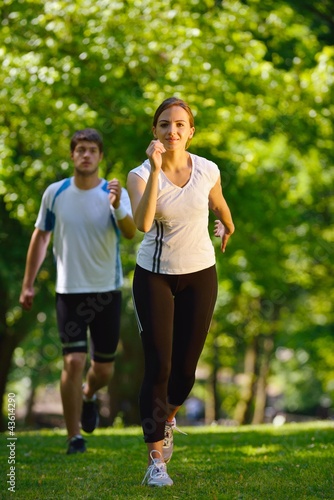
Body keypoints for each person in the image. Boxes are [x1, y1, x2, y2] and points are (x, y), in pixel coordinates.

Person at [127, 97, 235, 486]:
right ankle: (156, 462)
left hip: (200, 273)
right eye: (163, 125)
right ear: (154, 132)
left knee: (185, 375)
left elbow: (221, 208)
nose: (171, 131)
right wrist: (156, 170)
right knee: (159, 366)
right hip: (154, 275)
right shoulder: (139, 174)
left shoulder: (207, 169)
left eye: (179, 125)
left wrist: (225, 226)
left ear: (190, 132)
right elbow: (141, 222)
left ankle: (168, 417)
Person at [19, 128, 136, 454]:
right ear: (72, 155)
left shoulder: (114, 191)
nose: (86, 155)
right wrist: (28, 284)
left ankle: (89, 393)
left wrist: (117, 206)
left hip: (106, 292)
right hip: (69, 292)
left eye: (92, 150)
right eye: (80, 149)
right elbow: (41, 237)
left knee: (103, 370)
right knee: (72, 361)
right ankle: (75, 438)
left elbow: (130, 233)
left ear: (100, 156)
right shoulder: (55, 193)